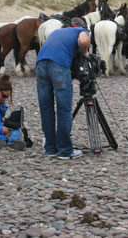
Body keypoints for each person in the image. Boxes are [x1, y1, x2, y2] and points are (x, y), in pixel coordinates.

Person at [36, 27, 90, 159]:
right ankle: (65, 150)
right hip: (59, 66)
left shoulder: (56, 32)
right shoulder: (83, 31)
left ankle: (51, 149)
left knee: (46, 109)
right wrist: (85, 53)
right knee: (64, 109)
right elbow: (83, 41)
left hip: (40, 64)